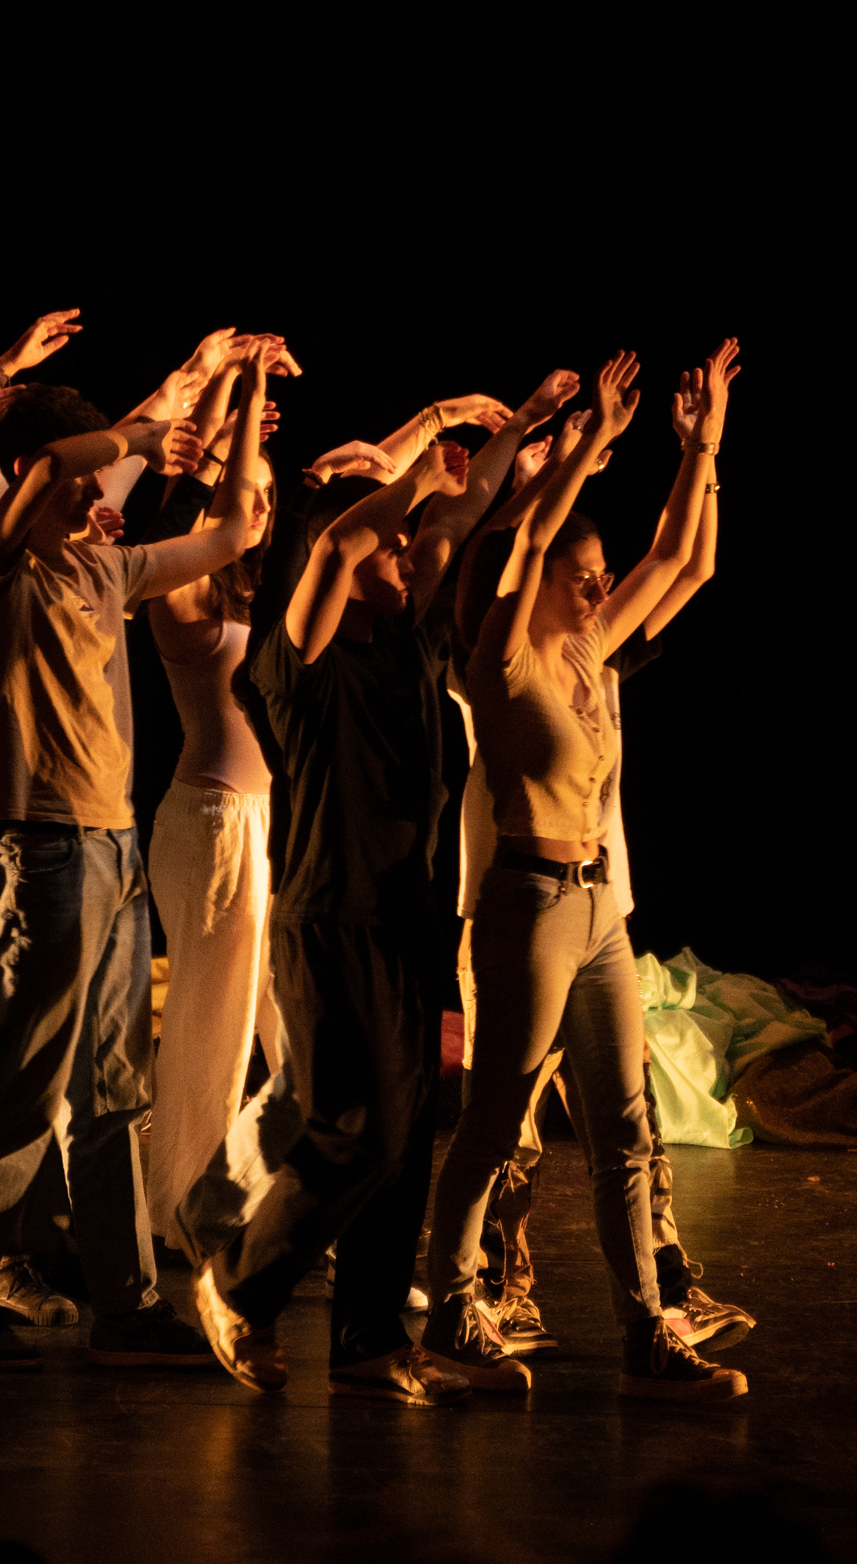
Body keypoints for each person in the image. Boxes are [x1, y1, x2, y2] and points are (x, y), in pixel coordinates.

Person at [188, 374, 570, 1403]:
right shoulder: (292, 661)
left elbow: (458, 519)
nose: (413, 555)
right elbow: (346, 541)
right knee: (352, 1123)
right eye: (396, 548)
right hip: (329, 915)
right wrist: (431, 442)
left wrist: (527, 435)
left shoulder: (404, 644)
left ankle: (365, 1340)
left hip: (403, 915)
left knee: (404, 1144)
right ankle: (239, 1277)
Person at [0, 332, 269, 1370]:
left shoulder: (107, 566)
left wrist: (241, 393)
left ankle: (126, 1299)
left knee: (113, 1087)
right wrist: (143, 432)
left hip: (108, 840)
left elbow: (237, 527)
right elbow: (47, 472)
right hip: (36, 842)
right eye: (84, 463)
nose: (100, 480)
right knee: (25, 1078)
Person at [421, 341, 747, 1403]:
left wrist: (702, 446)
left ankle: (650, 1327)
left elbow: (678, 561)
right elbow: (521, 559)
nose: (599, 586)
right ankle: (453, 1303)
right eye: (580, 574)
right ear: (543, 578)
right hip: (526, 904)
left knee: (627, 1130)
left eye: (596, 577)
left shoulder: (591, 651)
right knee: (496, 1116)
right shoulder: (503, 661)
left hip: (600, 906)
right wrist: (590, 442)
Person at [141, 353, 290, 1255]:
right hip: (211, 823)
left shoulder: (255, 584)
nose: (262, 510)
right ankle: (182, 1216)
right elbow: (228, 514)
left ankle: (271, 1201)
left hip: (265, 825)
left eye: (267, 495)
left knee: (300, 1042)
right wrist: (238, 404)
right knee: (211, 1037)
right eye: (250, 493)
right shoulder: (178, 581)